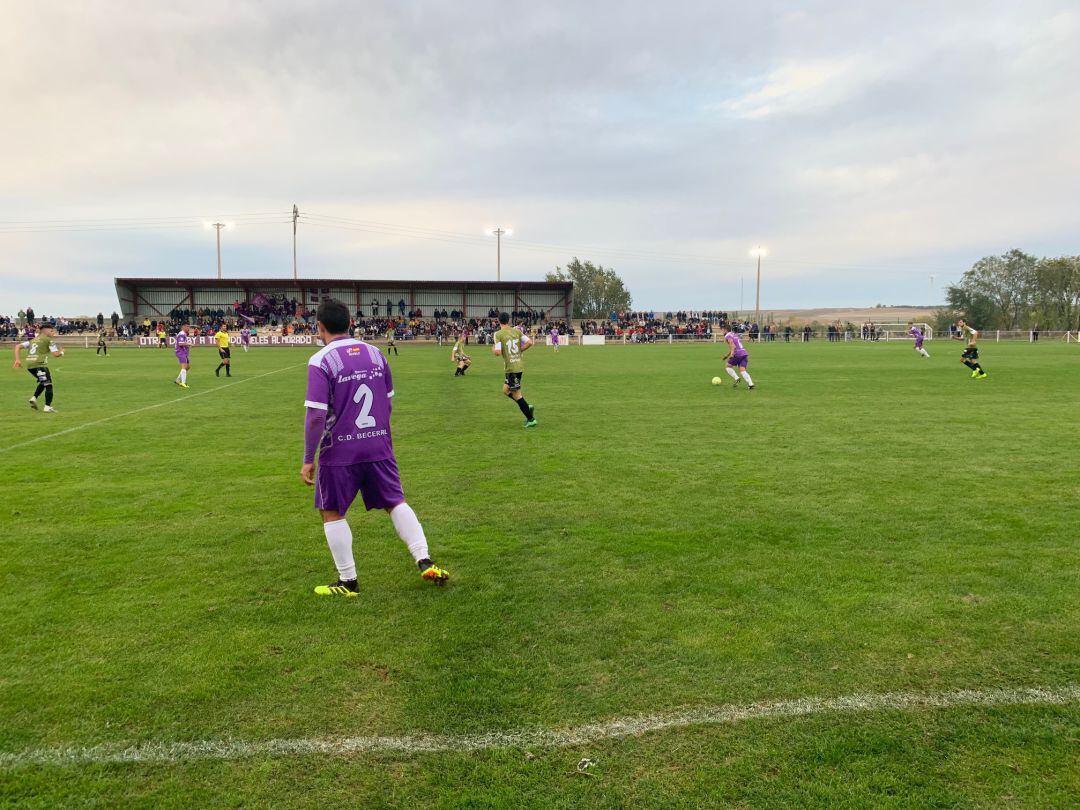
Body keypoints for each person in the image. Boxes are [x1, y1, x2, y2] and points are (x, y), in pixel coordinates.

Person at [300, 299, 449, 597]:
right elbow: (388, 400)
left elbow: (316, 414)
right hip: (378, 443)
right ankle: (424, 559)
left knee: (331, 511)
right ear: (350, 323)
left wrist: (307, 459)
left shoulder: (320, 360)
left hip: (340, 449)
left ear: (320, 326)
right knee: (395, 501)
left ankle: (348, 582)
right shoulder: (376, 353)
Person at [492, 312, 537, 427]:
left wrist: (493, 348)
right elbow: (529, 342)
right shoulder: (517, 331)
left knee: (517, 395)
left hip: (512, 369)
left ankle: (531, 419)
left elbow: (497, 352)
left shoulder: (498, 334)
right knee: (506, 390)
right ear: (509, 320)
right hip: (519, 365)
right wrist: (520, 350)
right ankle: (527, 406)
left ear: (498, 321)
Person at [13, 324, 64, 412]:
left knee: (44, 381)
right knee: (48, 385)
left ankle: (34, 398)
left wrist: (17, 360)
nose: (53, 332)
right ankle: (47, 407)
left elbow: (18, 346)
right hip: (40, 364)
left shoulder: (32, 340)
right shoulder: (49, 340)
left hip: (30, 365)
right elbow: (55, 354)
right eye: (51, 331)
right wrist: (62, 352)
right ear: (46, 331)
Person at [173, 323, 192, 388]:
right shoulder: (181, 334)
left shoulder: (183, 334)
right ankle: (183, 383)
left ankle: (178, 380)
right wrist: (189, 344)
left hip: (184, 352)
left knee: (188, 367)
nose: (189, 328)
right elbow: (180, 344)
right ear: (184, 327)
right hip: (181, 352)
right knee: (184, 367)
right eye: (188, 327)